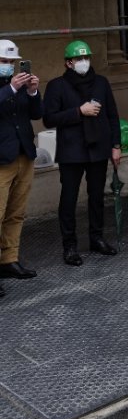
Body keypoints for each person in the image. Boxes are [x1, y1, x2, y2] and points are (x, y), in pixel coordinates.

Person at [43, 40, 121, 266]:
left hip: (98, 148)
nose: (84, 62)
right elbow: (49, 118)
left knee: (97, 197)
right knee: (69, 199)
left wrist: (115, 146)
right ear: (69, 63)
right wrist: (79, 111)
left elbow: (112, 116)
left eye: (86, 58)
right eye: (79, 59)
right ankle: (70, 246)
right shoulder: (57, 86)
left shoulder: (101, 82)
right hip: (72, 151)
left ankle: (97, 238)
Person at [0, 39, 41, 288]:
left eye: (12, 63)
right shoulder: (10, 88)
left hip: (24, 155)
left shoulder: (19, 85)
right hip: (2, 159)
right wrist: (12, 90)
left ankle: (9, 259)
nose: (9, 67)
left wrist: (33, 92)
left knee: (16, 212)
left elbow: (37, 114)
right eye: (4, 62)